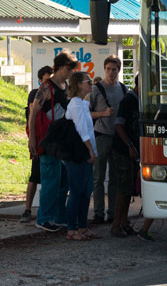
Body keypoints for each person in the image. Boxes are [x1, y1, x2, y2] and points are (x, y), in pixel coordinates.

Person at [29, 52, 78, 232]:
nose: (72, 71)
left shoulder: (65, 85)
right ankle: (44, 218)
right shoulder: (46, 87)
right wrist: (32, 139)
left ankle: (58, 217)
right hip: (49, 141)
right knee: (51, 181)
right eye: (69, 68)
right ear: (60, 67)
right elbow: (33, 113)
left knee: (62, 181)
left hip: (62, 140)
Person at [88, 55, 126, 225]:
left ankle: (112, 213)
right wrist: (103, 113)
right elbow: (86, 113)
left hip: (117, 137)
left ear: (119, 71)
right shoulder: (96, 89)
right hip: (101, 135)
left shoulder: (123, 89)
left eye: (114, 69)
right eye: (108, 69)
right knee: (98, 177)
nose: (111, 72)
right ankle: (98, 213)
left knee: (115, 178)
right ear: (104, 69)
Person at [63, 71, 99, 240]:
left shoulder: (83, 104)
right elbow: (81, 130)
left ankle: (83, 226)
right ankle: (71, 229)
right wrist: (90, 150)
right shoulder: (75, 104)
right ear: (79, 85)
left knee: (86, 191)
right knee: (76, 191)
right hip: (78, 153)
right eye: (88, 81)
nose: (91, 84)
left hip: (86, 151)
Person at [19, 65, 54, 223]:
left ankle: (48, 211)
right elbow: (31, 116)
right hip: (39, 142)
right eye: (46, 80)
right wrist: (32, 138)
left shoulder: (56, 94)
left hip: (52, 143)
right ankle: (28, 209)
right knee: (34, 177)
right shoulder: (35, 94)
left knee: (51, 179)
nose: (48, 84)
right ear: (40, 80)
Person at [110, 74, 141, 238]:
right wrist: (129, 145)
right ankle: (116, 224)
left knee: (129, 188)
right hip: (123, 149)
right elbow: (119, 124)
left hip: (134, 149)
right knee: (122, 188)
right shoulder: (128, 100)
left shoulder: (141, 100)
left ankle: (124, 222)